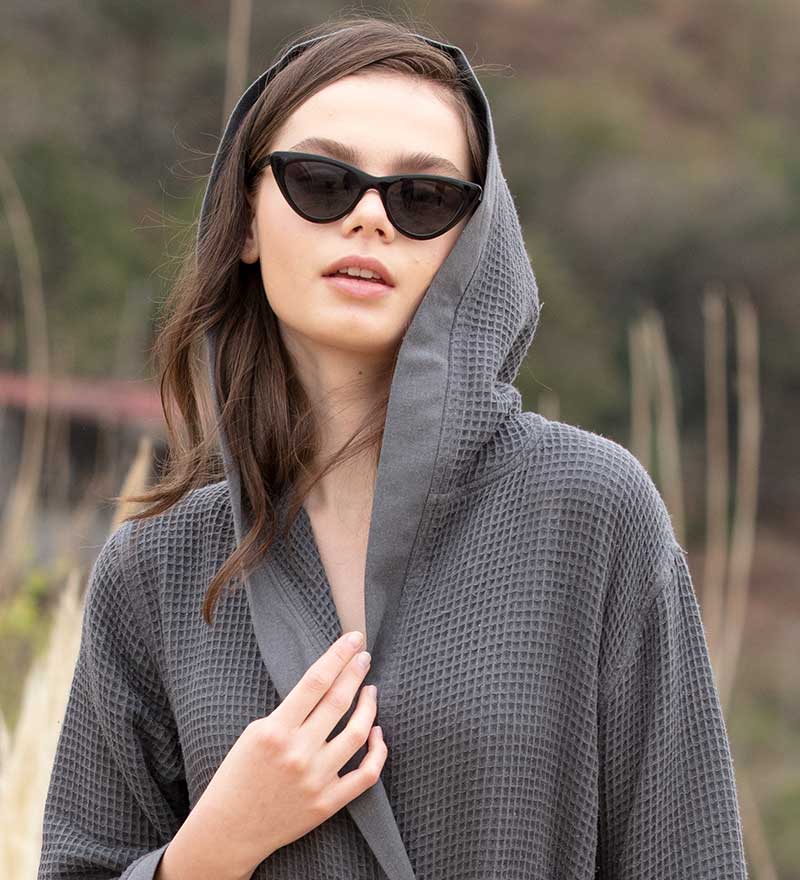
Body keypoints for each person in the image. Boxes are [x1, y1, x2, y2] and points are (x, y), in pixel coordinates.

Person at [37, 14, 749, 880]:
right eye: (321, 181)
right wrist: (214, 845)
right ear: (248, 219)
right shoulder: (157, 567)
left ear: (471, 241)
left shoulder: (590, 511)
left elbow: (689, 858)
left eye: (423, 198)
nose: (370, 217)